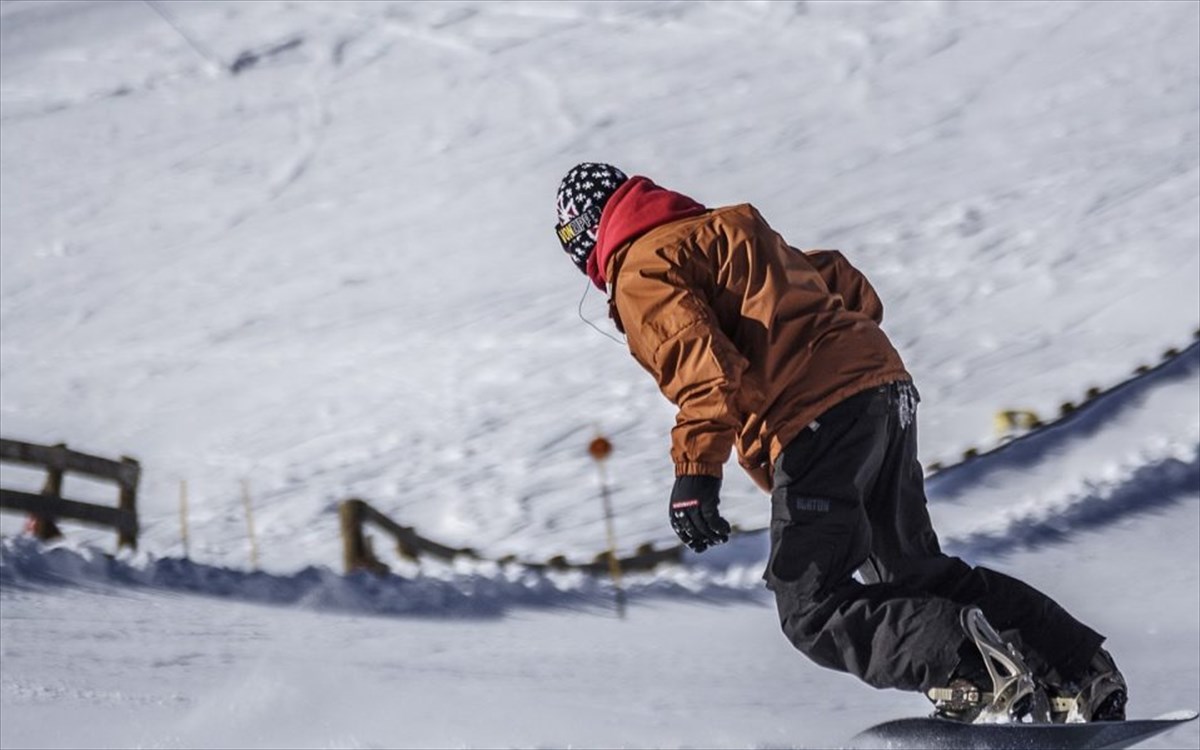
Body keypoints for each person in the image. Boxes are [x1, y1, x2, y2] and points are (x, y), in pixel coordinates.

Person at [552, 162, 1127, 723]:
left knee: (810, 605)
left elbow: (704, 370)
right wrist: (838, 351)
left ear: (583, 234)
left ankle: (975, 670)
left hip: (817, 416)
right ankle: (1079, 671)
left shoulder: (642, 268)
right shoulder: (729, 227)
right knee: (912, 574)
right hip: (883, 389)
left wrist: (695, 473)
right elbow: (841, 279)